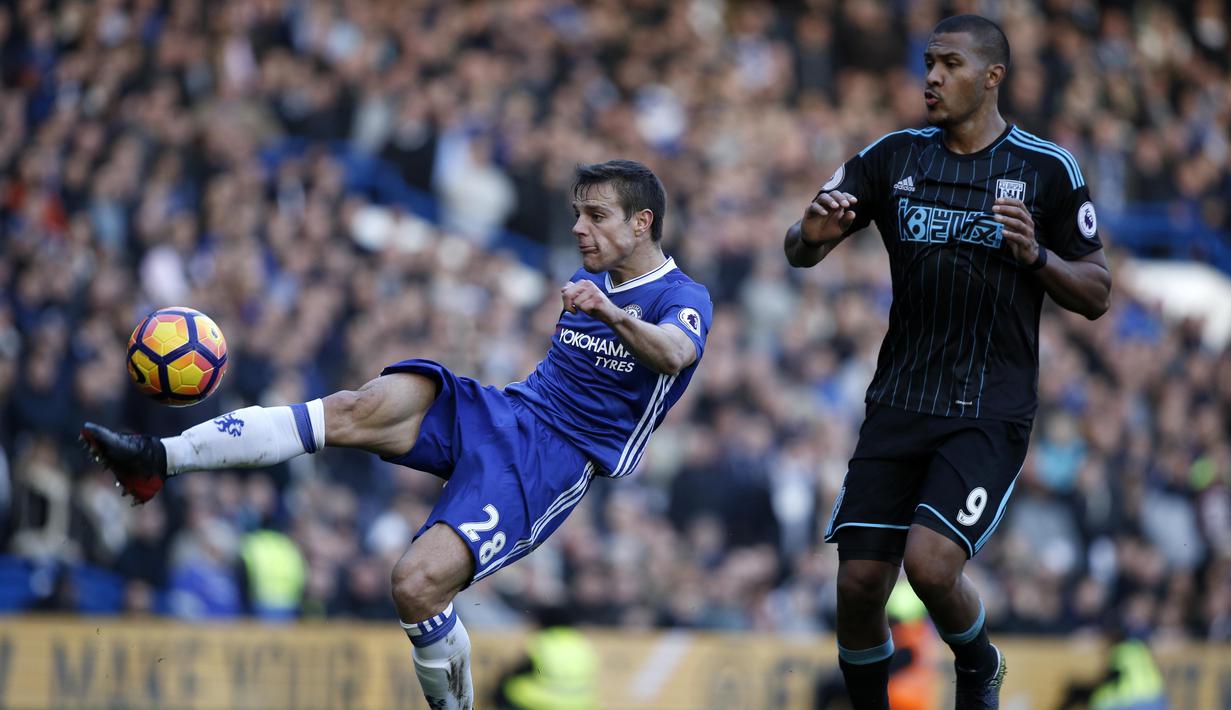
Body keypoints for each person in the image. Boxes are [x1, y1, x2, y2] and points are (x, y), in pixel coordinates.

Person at [82, 159, 712, 710]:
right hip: (506, 409)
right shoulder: (592, 279)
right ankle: (156, 460)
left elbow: (674, 356)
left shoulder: (681, 296)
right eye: (577, 214)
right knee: (356, 405)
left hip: (553, 460)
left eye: (597, 215)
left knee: (414, 584)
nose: (579, 228)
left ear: (643, 223)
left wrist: (607, 310)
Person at [784, 14, 1111, 710]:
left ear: (992, 76)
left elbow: (1097, 291)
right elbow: (801, 241)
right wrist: (808, 237)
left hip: (986, 407)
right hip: (900, 398)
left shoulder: (1045, 169)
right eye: (928, 62)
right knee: (857, 584)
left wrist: (1036, 256)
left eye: (950, 64)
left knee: (929, 565)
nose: (931, 76)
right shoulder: (892, 156)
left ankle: (979, 666)